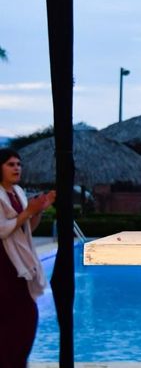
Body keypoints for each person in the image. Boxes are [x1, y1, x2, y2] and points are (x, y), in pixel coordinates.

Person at [0, 148, 55, 368]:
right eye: (10, 164)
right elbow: (2, 230)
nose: (16, 168)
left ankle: (18, 362)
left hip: (21, 264)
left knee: (27, 317)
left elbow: (27, 228)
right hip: (4, 263)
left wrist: (38, 210)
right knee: (9, 319)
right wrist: (28, 211)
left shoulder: (18, 193)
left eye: (18, 164)